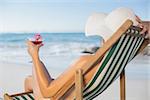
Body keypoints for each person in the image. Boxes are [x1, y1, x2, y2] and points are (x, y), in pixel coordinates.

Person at [25, 8, 150, 99]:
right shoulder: (118, 59)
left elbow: (47, 92)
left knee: (31, 75)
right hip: (68, 93)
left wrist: (34, 55)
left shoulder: (87, 61)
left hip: (51, 98)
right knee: (29, 80)